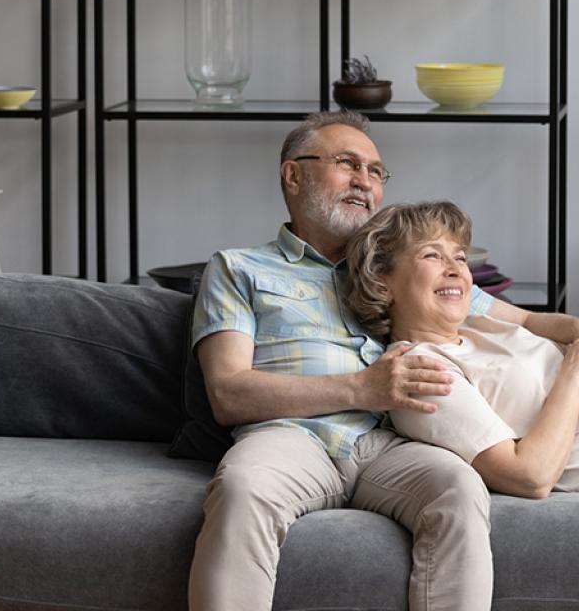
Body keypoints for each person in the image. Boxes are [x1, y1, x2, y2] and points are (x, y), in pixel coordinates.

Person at [187, 111, 579, 611]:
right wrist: (362, 388)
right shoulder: (239, 268)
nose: (365, 181)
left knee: (459, 487)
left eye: (375, 171)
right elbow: (228, 392)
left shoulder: (396, 264)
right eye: (347, 164)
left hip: (392, 442)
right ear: (293, 174)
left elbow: (527, 320)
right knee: (243, 487)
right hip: (290, 437)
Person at [346, 200, 579, 496]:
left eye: (460, 258)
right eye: (432, 255)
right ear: (382, 282)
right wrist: (573, 368)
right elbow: (530, 476)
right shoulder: (420, 373)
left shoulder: (480, 325)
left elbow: (535, 320)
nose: (455, 269)